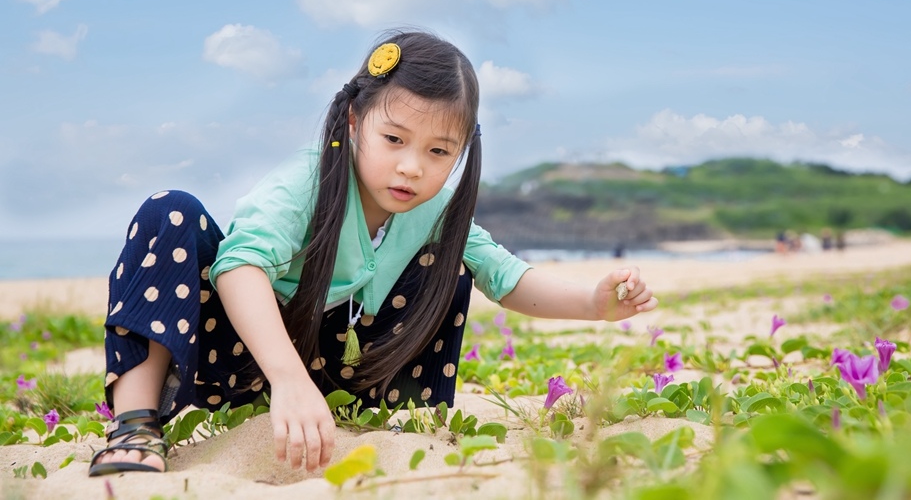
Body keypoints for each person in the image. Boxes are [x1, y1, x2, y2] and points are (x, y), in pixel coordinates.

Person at [88, 31, 658, 477]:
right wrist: (287, 380)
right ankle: (136, 425)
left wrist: (593, 302)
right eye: (394, 140)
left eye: (439, 151)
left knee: (451, 263)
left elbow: (503, 277)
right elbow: (239, 265)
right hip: (234, 346)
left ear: (462, 152)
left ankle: (394, 415)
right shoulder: (307, 182)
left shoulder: (434, 211)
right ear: (356, 121)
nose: (412, 166)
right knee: (172, 211)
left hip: (333, 369)